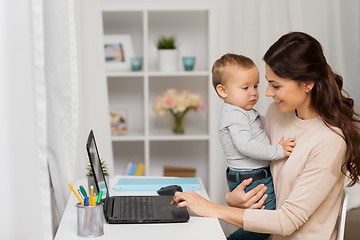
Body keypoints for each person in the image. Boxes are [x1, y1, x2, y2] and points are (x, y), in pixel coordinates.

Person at [172, 32, 360, 240]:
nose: (268, 93)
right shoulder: (276, 114)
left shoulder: (330, 141)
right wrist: (232, 198)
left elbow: (287, 221)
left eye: (276, 85)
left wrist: (212, 208)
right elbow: (251, 166)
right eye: (268, 83)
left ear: (307, 84)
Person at [212, 53, 295, 240]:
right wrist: (278, 151)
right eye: (245, 87)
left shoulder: (242, 111)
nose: (254, 92)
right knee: (263, 225)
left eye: (255, 86)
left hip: (251, 175)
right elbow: (246, 146)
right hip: (252, 178)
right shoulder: (234, 115)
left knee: (260, 224)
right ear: (223, 91)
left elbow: (261, 127)